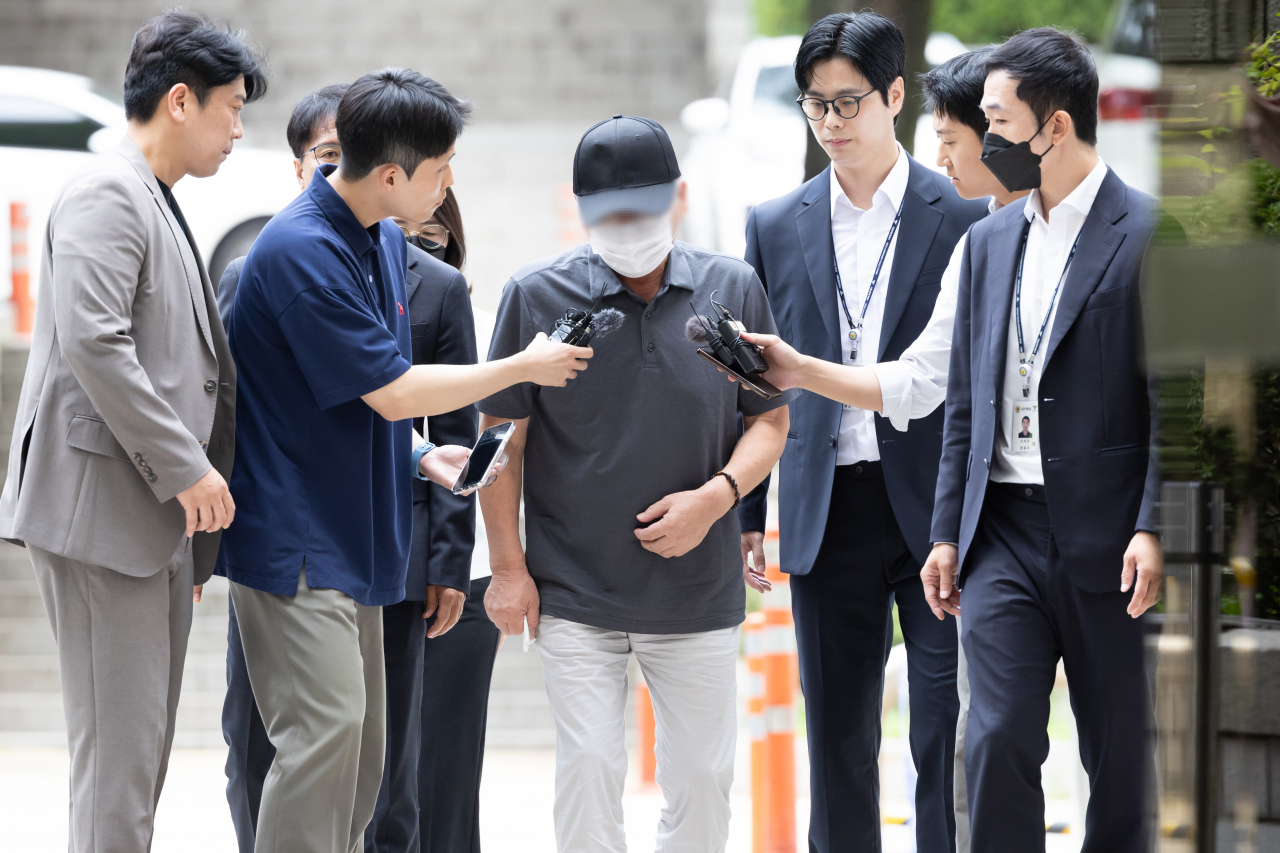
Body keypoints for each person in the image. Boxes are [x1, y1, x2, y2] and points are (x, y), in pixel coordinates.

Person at [217, 68, 591, 853]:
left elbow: (359, 391)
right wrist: (519, 366)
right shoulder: (295, 249)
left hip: (363, 538)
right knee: (321, 741)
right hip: (296, 545)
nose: (450, 183)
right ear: (391, 173)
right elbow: (389, 387)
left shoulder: (384, 241)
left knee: (362, 765)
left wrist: (422, 454)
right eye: (441, 168)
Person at [478, 115, 793, 853]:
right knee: (588, 770)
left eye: (641, 209)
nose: (625, 226)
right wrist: (506, 566)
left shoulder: (727, 291)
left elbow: (770, 422)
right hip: (575, 590)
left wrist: (716, 498)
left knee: (704, 783)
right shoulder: (538, 296)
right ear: (582, 207)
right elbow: (500, 439)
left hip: (696, 590)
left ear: (678, 197)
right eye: (607, 212)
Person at [742, 46, 1028, 853]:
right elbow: (758, 379)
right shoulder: (772, 222)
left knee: (943, 729)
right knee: (838, 734)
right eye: (814, 105)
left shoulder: (968, 211)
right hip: (825, 505)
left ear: (894, 96)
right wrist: (751, 511)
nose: (831, 122)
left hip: (938, 510)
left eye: (848, 102)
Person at [0, 11, 262, 851]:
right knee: (119, 764)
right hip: (104, 514)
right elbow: (93, 339)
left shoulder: (154, 198)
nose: (237, 128)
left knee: (136, 756)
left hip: (142, 524)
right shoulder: (108, 191)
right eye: (231, 108)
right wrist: (186, 470)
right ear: (180, 101)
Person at [920, 28, 1168, 852]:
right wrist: (948, 530)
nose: (986, 138)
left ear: (1053, 128)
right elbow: (967, 404)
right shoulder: (987, 240)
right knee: (992, 739)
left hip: (1108, 537)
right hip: (1003, 537)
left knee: (1121, 759)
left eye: (997, 120)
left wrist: (1153, 524)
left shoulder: (1149, 234)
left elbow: (1181, 401)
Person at [217, 84, 345, 851]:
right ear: (297, 168)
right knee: (254, 733)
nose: (338, 172)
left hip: (349, 543)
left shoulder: (383, 265)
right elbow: (223, 411)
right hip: (271, 542)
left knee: (344, 736)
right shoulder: (257, 268)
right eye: (324, 157)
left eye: (350, 156)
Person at [365, 192, 491, 853]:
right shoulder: (333, 276)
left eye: (436, 235)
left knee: (445, 771)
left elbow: (471, 443)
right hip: (396, 556)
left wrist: (460, 564)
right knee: (387, 772)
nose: (421, 244)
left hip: (462, 572)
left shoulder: (466, 305)